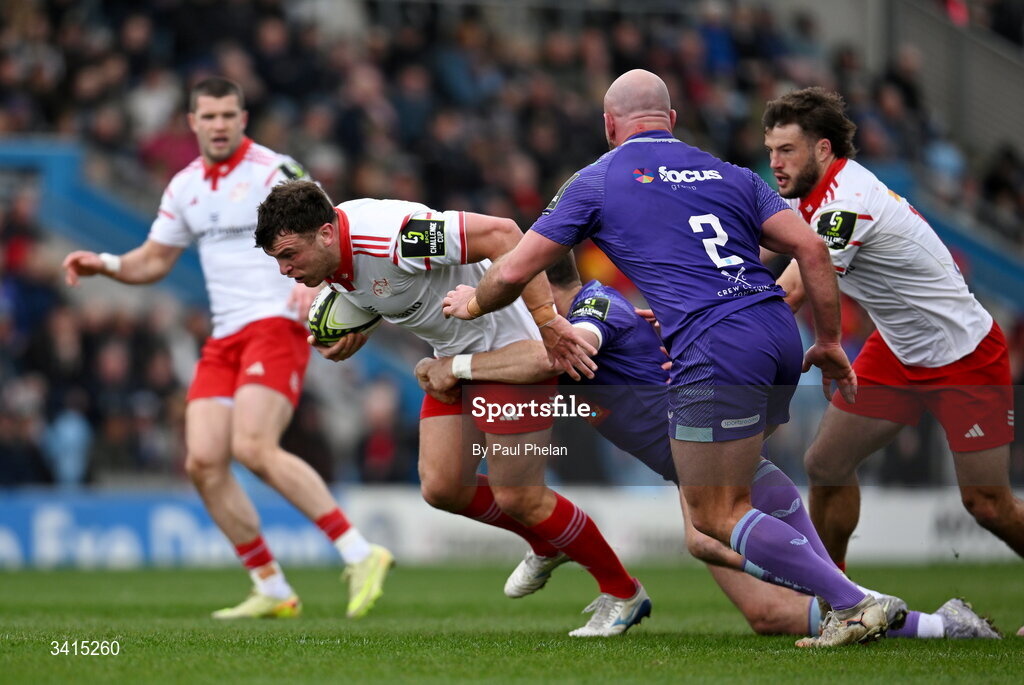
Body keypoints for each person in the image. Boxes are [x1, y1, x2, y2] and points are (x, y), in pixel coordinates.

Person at [443, 69, 885, 648]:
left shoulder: (597, 180)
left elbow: (513, 270)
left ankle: (853, 602)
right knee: (746, 491)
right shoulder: (730, 172)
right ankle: (849, 600)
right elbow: (808, 246)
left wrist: (473, 302)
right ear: (672, 121)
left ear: (609, 126)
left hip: (716, 345)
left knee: (712, 516)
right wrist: (827, 340)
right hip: (776, 330)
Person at [420, 253, 1002, 640]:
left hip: (709, 445)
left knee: (711, 536)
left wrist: (456, 365)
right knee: (764, 609)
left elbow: (557, 354)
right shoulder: (586, 315)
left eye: (513, 287)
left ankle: (892, 613)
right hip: (696, 458)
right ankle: (929, 624)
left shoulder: (592, 309)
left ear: (537, 284)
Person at [253, 179, 650, 638]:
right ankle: (547, 542)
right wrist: (365, 324)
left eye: (288, 256)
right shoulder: (332, 259)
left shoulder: (396, 235)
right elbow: (392, 287)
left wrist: (548, 323)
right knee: (443, 486)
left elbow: (504, 234)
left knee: (521, 497)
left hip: (508, 350)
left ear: (324, 233)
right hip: (450, 359)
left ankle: (624, 592)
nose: (285, 269)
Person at [62, 77, 393, 620]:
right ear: (192, 123)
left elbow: (327, 228)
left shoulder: (274, 170)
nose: (218, 125)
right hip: (224, 337)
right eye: (208, 116)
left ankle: (360, 552)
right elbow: (153, 259)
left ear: (242, 117)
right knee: (202, 461)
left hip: (274, 326)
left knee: (254, 447)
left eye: (227, 115)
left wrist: (308, 287)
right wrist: (109, 264)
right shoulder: (185, 186)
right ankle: (270, 585)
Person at [761, 87, 1022, 573]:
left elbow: (793, 289)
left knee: (987, 504)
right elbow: (753, 266)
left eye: (787, 151)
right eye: (770, 150)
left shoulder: (847, 200)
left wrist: (712, 327)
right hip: (898, 348)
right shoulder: (804, 196)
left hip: (964, 355)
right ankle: (838, 600)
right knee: (826, 465)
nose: (775, 162)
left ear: (822, 149)